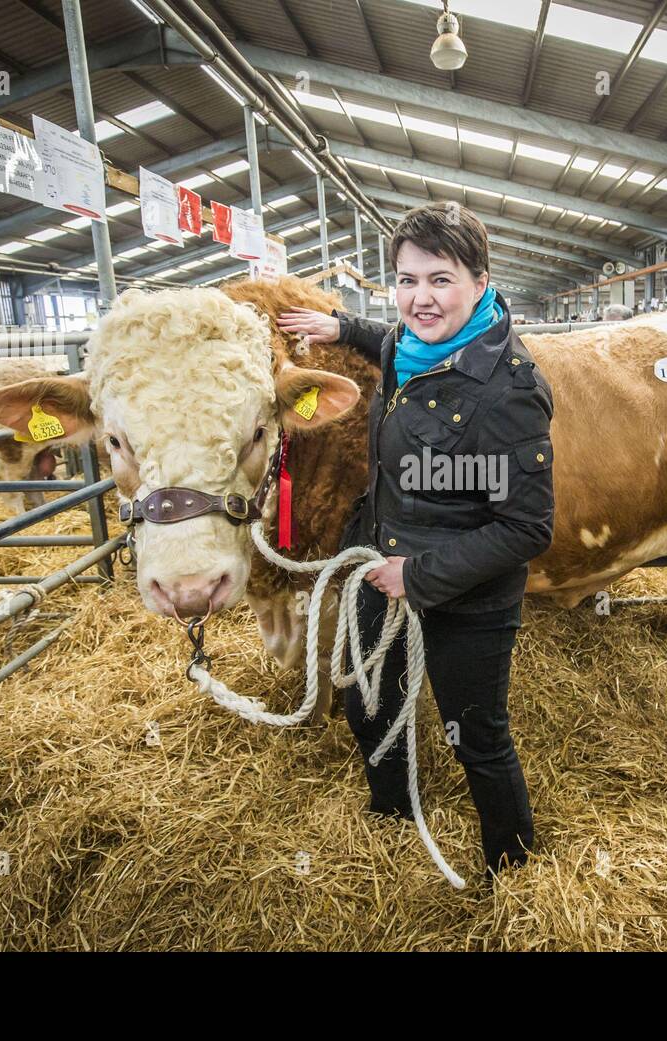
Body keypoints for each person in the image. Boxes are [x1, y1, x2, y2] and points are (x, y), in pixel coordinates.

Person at [276, 203, 549, 882]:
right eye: (405, 280)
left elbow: (526, 527)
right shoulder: (405, 343)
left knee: (476, 735)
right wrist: (340, 326)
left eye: (440, 279)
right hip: (381, 558)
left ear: (482, 282)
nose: (420, 298)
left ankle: (512, 871)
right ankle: (391, 809)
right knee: (366, 700)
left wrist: (417, 575)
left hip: (466, 594)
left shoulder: (511, 389)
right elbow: (385, 335)